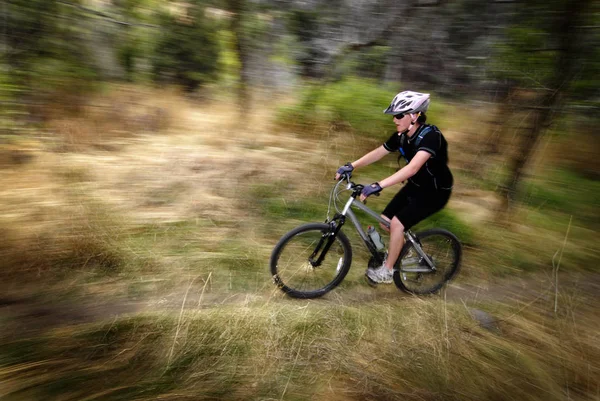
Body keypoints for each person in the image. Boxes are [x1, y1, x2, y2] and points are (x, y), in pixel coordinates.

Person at [335, 91, 453, 284]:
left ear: (414, 116)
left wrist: (378, 185)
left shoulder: (431, 136)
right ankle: (404, 252)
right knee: (385, 222)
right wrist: (352, 165)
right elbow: (378, 152)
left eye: (399, 115)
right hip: (416, 186)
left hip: (435, 191)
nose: (394, 120)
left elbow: (413, 168)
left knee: (397, 224)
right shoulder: (401, 136)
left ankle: (388, 271)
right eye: (394, 116)